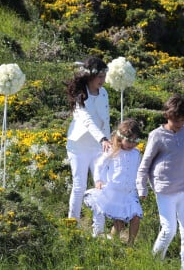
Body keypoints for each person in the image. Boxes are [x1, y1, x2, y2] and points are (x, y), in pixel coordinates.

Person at [136, 93, 184, 270]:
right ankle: (154, 263)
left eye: (181, 120)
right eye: (175, 121)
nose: (179, 125)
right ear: (167, 116)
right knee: (168, 230)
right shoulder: (156, 136)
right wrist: (142, 188)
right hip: (164, 190)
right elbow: (145, 164)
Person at [66, 56, 112, 227]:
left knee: (101, 185)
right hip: (78, 146)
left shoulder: (104, 93)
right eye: (99, 76)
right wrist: (103, 139)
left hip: (99, 147)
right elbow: (87, 120)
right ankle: (72, 224)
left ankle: (98, 228)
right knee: (79, 185)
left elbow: (104, 120)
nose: (103, 80)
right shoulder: (81, 95)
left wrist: (108, 142)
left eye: (104, 76)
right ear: (90, 76)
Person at [84, 119, 143, 245]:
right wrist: (98, 180)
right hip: (115, 192)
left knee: (136, 216)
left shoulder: (136, 154)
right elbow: (99, 166)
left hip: (130, 192)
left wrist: (142, 187)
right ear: (121, 138)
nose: (132, 144)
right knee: (119, 224)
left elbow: (139, 172)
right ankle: (112, 244)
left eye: (135, 141)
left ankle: (130, 244)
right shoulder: (113, 151)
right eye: (129, 140)